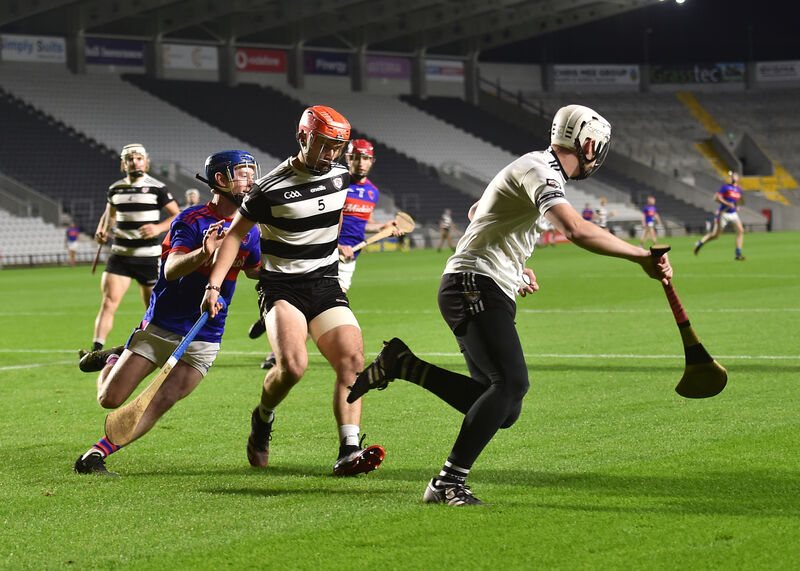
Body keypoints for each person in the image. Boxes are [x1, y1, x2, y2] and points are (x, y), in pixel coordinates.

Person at [348, 104, 672, 505]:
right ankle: (448, 481)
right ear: (588, 144)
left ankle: (403, 364)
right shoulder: (541, 170)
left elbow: (476, 212)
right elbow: (575, 229)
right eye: (599, 147)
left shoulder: (535, 168)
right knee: (513, 383)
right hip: (473, 284)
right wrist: (641, 256)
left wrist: (516, 266)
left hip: (482, 283)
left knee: (505, 407)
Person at [200, 105, 386, 477]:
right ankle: (263, 417)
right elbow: (235, 234)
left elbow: (339, 213)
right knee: (293, 367)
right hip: (282, 287)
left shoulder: (340, 174)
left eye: (337, 146)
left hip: (325, 283)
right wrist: (214, 285)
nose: (332, 154)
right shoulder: (269, 188)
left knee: (352, 361)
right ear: (303, 138)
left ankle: (349, 449)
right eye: (324, 145)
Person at [73, 150, 262, 476]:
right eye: (242, 173)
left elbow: (255, 270)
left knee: (161, 400)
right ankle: (111, 358)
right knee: (110, 399)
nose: (251, 179)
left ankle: (95, 455)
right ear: (221, 179)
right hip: (163, 324)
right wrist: (204, 252)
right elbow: (172, 269)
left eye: (252, 172)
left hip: (205, 331)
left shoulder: (251, 228)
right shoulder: (190, 220)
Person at [248, 138, 403, 369]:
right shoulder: (335, 182)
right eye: (356, 157)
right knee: (323, 305)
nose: (361, 163)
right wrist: (336, 244)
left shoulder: (372, 192)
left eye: (366, 158)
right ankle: (276, 351)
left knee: (320, 305)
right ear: (348, 158)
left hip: (351, 256)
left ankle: (280, 316)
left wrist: (381, 227)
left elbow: (362, 222)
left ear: (372, 161)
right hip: (325, 252)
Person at [82, 144, 180, 356]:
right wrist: (102, 230)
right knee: (108, 302)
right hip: (120, 256)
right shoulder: (115, 189)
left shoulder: (157, 188)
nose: (135, 162)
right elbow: (110, 215)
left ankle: (157, 347)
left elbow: (176, 215)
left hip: (148, 258)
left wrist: (158, 227)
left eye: (138, 158)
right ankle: (96, 350)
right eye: (130, 159)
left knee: (152, 307)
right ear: (123, 164)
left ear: (146, 162)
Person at [694, 171, 746, 260]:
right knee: (716, 235)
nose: (734, 177)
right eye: (733, 176)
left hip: (733, 213)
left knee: (740, 231)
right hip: (723, 214)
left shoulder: (739, 189)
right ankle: (700, 243)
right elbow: (716, 198)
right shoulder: (726, 187)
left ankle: (738, 253)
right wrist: (727, 203)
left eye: (736, 176)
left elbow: (737, 201)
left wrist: (737, 207)